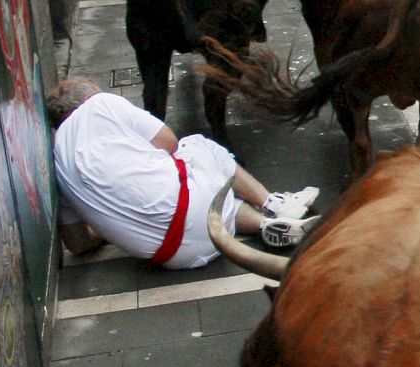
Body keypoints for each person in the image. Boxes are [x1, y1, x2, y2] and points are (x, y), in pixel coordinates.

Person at [45, 77, 321, 276]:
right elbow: (169, 143)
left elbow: (78, 244)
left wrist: (109, 225)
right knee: (198, 146)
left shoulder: (57, 162)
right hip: (193, 211)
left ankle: (264, 226)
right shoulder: (100, 104)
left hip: (176, 257)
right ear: (86, 98)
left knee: (208, 198)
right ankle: (275, 203)